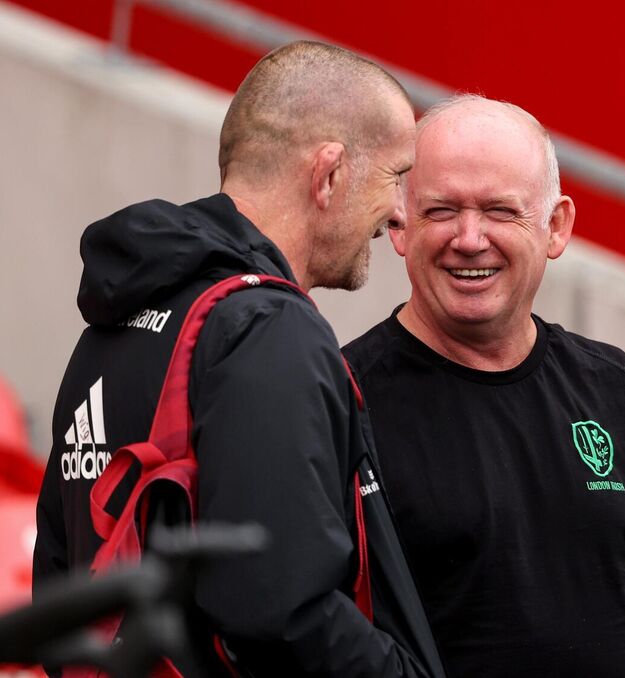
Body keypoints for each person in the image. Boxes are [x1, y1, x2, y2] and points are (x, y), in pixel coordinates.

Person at [33, 40, 445, 677]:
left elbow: (58, 578)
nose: (397, 213)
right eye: (395, 177)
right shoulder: (271, 328)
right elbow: (280, 610)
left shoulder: (112, 326)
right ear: (329, 175)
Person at [342, 94, 625, 677]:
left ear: (556, 226)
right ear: (399, 223)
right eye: (442, 210)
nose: (469, 238)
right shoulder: (342, 403)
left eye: (501, 211)